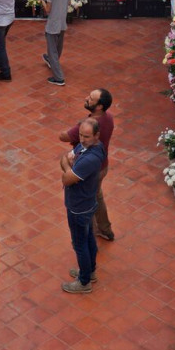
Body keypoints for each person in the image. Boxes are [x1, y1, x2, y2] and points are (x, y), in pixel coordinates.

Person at [59, 89, 116, 241]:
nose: (86, 99)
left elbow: (63, 136)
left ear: (99, 107)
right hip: (102, 165)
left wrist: (67, 165)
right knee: (97, 195)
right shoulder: (108, 117)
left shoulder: (89, 126)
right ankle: (105, 229)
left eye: (91, 99)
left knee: (88, 200)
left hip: (90, 169)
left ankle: (92, 231)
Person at [59, 118, 106, 294]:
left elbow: (66, 178)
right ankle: (90, 271)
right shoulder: (87, 147)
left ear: (97, 136)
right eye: (80, 135)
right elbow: (70, 161)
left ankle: (84, 281)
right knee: (88, 239)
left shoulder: (91, 158)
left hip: (79, 207)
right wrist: (69, 165)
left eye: (87, 136)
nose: (82, 139)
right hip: (86, 203)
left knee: (80, 244)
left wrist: (66, 163)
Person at [37, 0, 69, 86]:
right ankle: (50, 60)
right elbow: (68, 1)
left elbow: (47, 10)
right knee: (58, 47)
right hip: (62, 22)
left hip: (53, 25)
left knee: (53, 51)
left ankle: (59, 78)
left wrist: (42, 0)